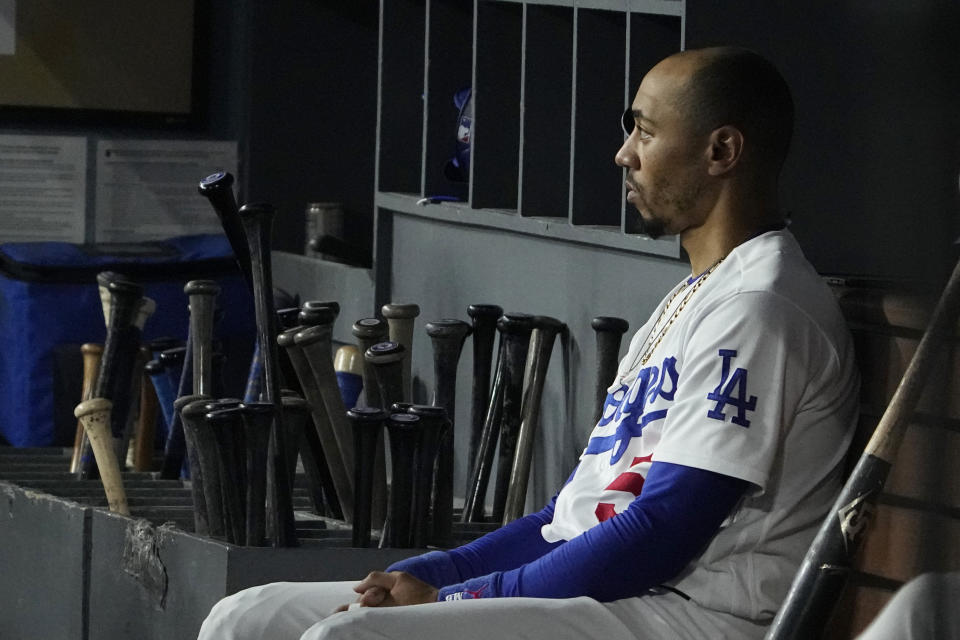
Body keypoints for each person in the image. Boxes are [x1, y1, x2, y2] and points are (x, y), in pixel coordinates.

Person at [198, 46, 860, 640]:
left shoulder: (760, 305)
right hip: (610, 595)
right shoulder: (695, 295)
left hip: (691, 614)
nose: (624, 153)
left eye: (646, 131)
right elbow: (569, 515)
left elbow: (663, 531)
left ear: (721, 152)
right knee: (246, 618)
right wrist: (437, 568)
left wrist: (456, 598)